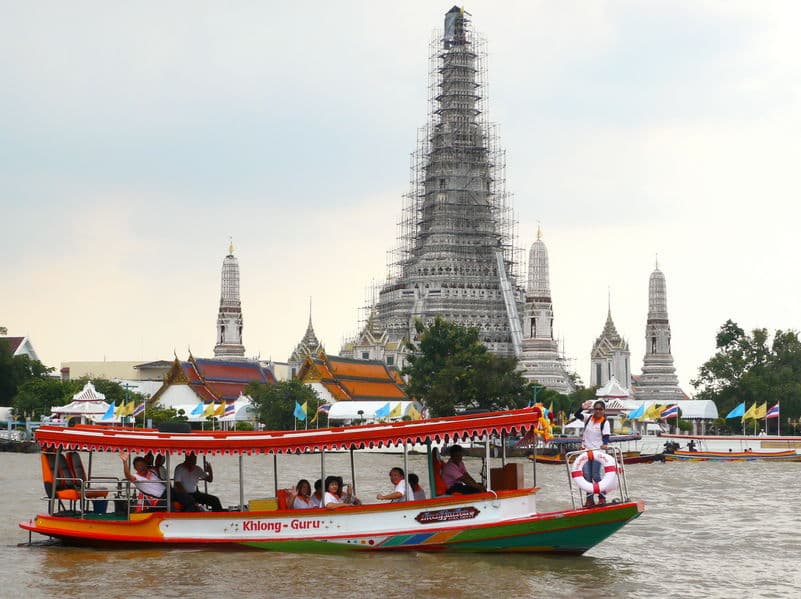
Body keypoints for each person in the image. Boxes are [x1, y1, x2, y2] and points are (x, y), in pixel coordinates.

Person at [120, 452, 198, 511]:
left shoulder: (152, 471)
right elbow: (128, 476)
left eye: (143, 464)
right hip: (158, 499)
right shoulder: (136, 477)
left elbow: (157, 462)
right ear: (135, 468)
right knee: (172, 506)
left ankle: (192, 514)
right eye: (139, 466)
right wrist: (125, 462)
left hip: (167, 492)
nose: (142, 467)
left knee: (188, 498)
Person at [575, 401, 611, 507]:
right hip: (586, 451)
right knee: (587, 476)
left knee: (596, 475)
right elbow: (577, 415)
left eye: (600, 409)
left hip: (598, 452)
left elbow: (606, 436)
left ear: (604, 411)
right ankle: (589, 499)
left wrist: (605, 444)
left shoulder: (605, 422)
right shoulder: (588, 418)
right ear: (594, 410)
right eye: (596, 409)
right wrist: (582, 407)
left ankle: (602, 497)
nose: (598, 411)